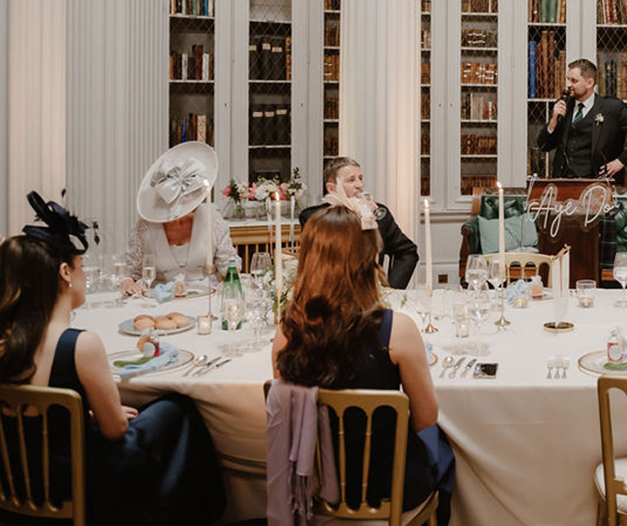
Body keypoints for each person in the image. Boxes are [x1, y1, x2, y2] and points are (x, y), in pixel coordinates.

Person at [0, 192, 225, 526]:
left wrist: (83, 414)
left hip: (17, 479)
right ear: (65, 273)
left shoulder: (6, 342)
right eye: (80, 268)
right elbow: (115, 430)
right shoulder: (81, 344)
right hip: (80, 481)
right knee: (179, 408)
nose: (84, 276)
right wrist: (102, 417)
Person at [273, 201, 454, 525]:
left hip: (316, 484)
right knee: (444, 447)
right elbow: (426, 416)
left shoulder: (287, 331)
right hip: (387, 488)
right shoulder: (396, 329)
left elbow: (290, 408)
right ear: (366, 258)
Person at [120, 141, 237, 296]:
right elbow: (130, 272)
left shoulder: (212, 219)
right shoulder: (146, 226)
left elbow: (230, 264)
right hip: (160, 300)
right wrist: (127, 282)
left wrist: (229, 280)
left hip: (206, 299)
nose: (179, 218)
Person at [298, 156, 420, 289]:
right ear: (332, 188)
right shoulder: (314, 217)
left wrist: (390, 289)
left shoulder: (378, 214)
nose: (360, 185)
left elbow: (408, 252)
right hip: (330, 293)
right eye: (351, 180)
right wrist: (355, 217)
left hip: (371, 295)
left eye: (360, 178)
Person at [535, 58, 627, 187]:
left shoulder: (611, 108)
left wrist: (621, 162)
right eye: (568, 79)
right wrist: (553, 121)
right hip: (564, 184)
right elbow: (544, 146)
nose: (568, 85)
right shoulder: (564, 105)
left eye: (574, 81)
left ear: (589, 83)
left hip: (598, 184)